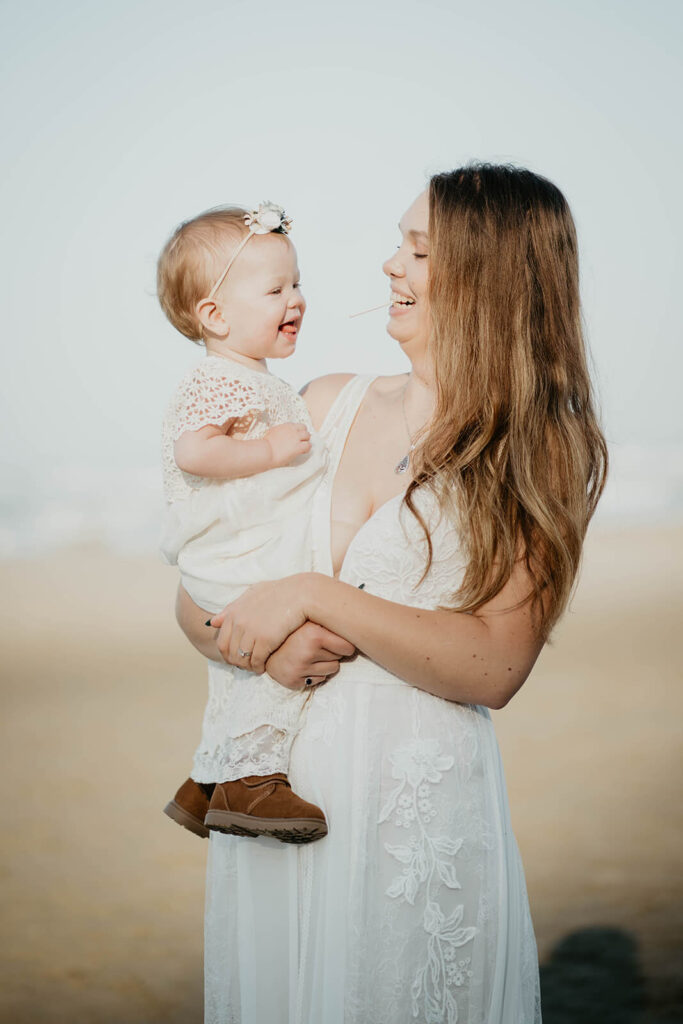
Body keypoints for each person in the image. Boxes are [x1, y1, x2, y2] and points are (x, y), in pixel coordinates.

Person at [177, 164, 608, 1023]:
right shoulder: (322, 407)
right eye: (396, 243)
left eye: (416, 249)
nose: (388, 267)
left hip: (411, 820)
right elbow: (203, 583)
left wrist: (316, 597)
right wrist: (254, 633)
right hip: (274, 808)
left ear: (489, 278)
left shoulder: (535, 444)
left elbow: (492, 666)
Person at [157, 201, 329, 844]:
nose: (296, 299)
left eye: (298, 283)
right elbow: (193, 451)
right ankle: (251, 780)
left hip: (237, 544)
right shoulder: (219, 379)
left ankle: (205, 782)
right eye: (276, 289)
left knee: (231, 669)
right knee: (276, 648)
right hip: (232, 549)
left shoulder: (252, 376)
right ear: (215, 316)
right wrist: (268, 451)